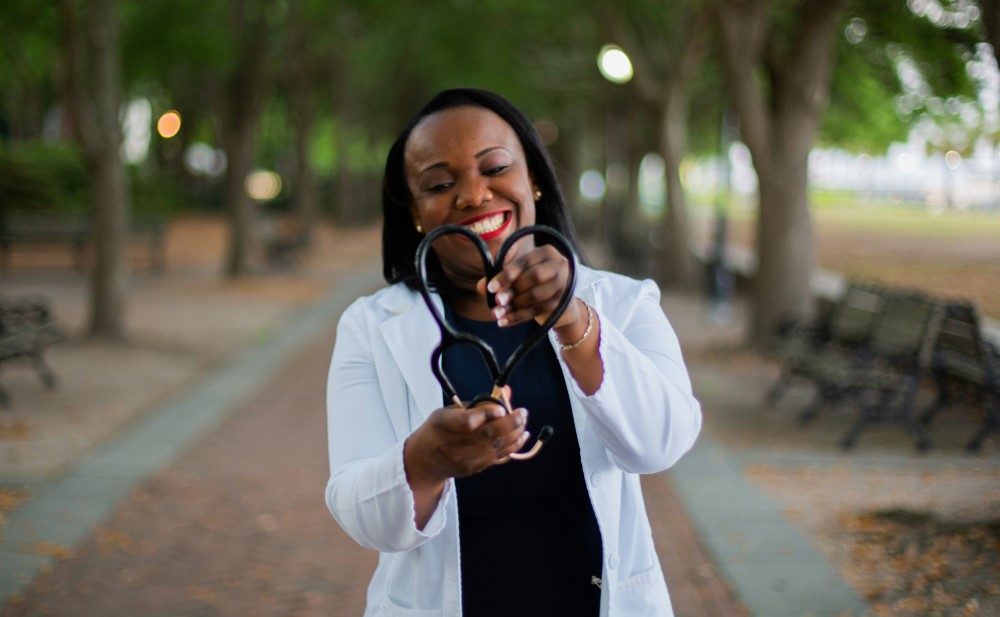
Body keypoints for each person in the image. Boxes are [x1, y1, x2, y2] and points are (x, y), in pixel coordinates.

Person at [325, 88, 702, 616]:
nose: (474, 195)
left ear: (536, 181)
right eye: (440, 183)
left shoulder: (624, 302)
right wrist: (426, 461)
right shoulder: (370, 326)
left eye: (495, 167)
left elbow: (660, 444)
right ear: (414, 213)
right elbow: (362, 517)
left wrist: (574, 317)